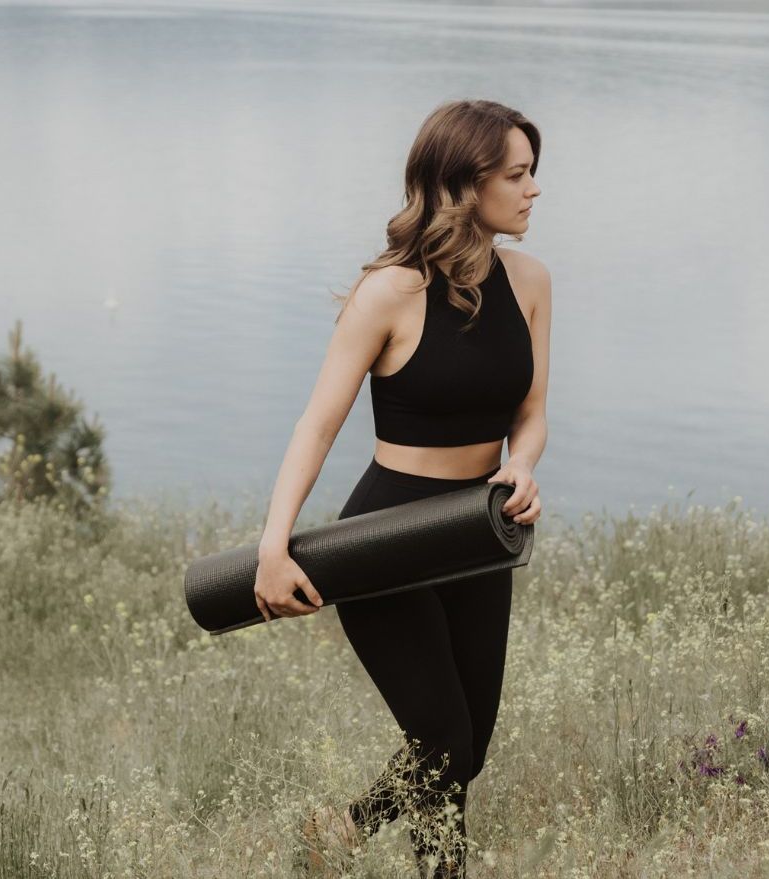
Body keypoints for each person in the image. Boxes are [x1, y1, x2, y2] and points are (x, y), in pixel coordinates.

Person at [253, 99, 550, 879]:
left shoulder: (530, 282)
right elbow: (316, 426)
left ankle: (344, 828)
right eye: (516, 175)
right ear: (464, 183)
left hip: (478, 533)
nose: (533, 190)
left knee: (466, 749)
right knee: (443, 739)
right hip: (386, 540)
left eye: (532, 173)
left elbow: (531, 414)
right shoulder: (388, 292)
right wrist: (274, 545)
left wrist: (522, 464)